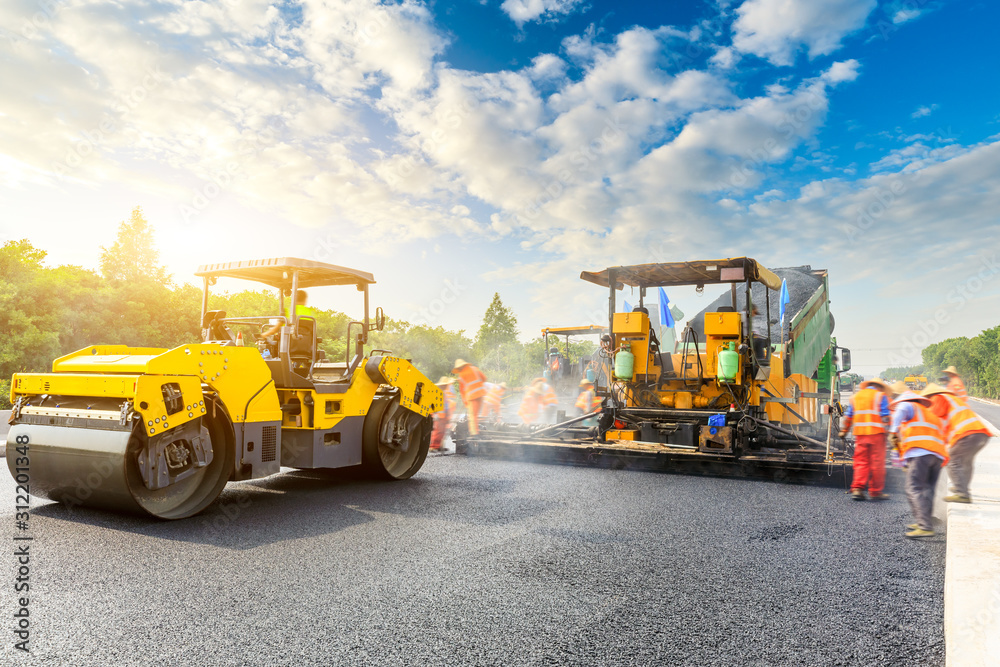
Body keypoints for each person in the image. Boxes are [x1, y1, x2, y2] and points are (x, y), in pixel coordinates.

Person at [889, 390, 949, 539]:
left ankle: (925, 526)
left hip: (921, 454)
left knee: (913, 488)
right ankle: (924, 521)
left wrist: (892, 431)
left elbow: (901, 411)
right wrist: (904, 460)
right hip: (937, 456)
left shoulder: (908, 406)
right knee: (928, 489)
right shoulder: (928, 414)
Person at [922, 383, 992, 503]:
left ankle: (961, 493)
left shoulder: (938, 398)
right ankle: (962, 487)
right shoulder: (953, 400)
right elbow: (944, 427)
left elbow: (931, 418)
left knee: (952, 460)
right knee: (966, 462)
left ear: (930, 395)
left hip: (967, 434)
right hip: (981, 435)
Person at [839, 379, 891, 501]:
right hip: (877, 434)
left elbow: (849, 416)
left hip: (860, 435)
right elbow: (885, 417)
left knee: (861, 462)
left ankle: (858, 489)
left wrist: (844, 431)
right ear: (879, 387)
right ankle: (875, 492)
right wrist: (888, 433)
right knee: (877, 464)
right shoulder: (880, 396)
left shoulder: (856, 397)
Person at [452, 359, 487, 436]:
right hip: (481, 394)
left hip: (472, 397)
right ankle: (476, 431)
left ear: (459, 368)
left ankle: (474, 434)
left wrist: (465, 402)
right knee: (476, 414)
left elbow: (462, 391)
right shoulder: (474, 369)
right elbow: (484, 378)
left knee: (472, 416)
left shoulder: (461, 376)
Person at [430, 377, 457, 452]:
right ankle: (433, 447)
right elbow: (433, 405)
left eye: (446, 385)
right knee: (437, 432)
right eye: (444, 385)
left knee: (442, 432)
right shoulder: (437, 393)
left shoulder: (444, 394)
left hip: (443, 417)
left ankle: (439, 446)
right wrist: (434, 415)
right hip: (439, 416)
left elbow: (446, 406)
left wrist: (448, 417)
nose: (445, 386)